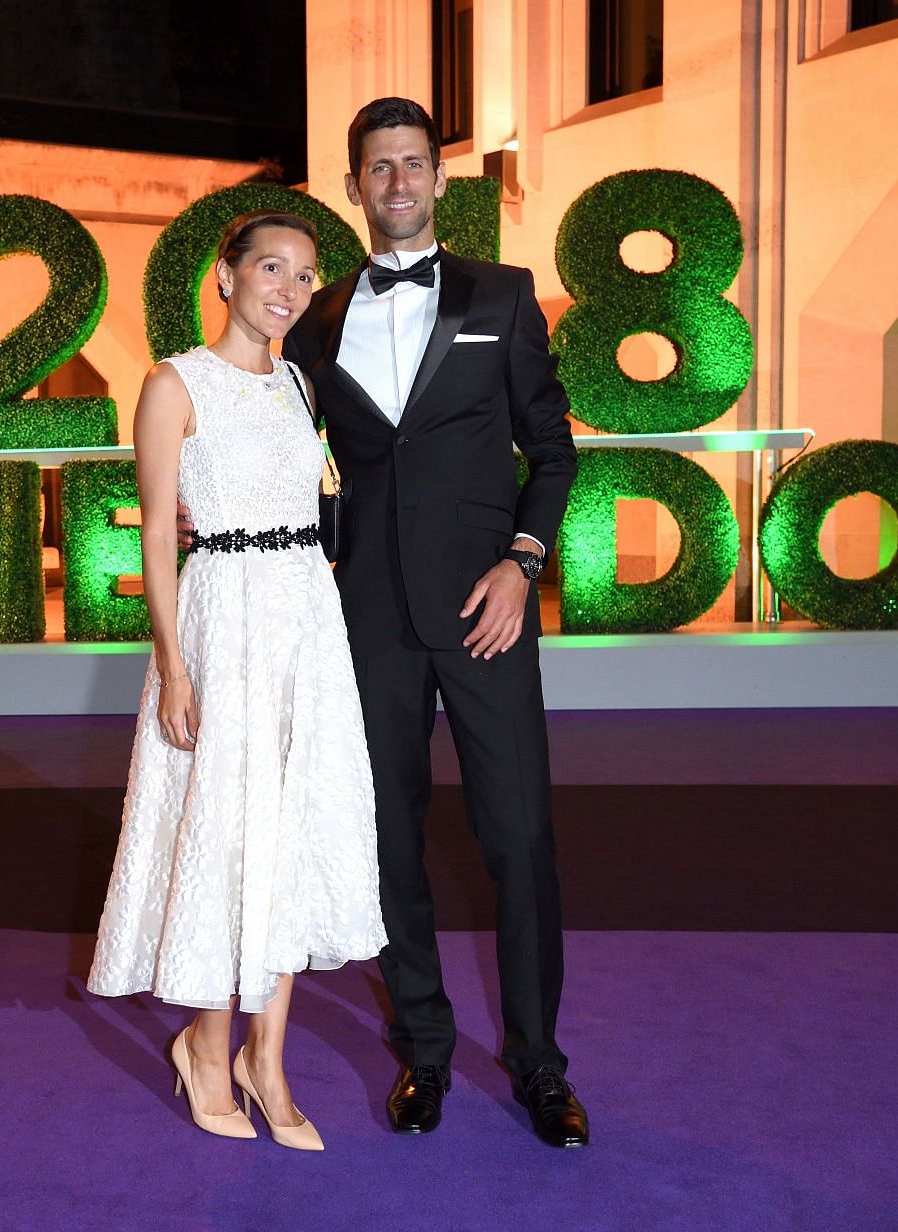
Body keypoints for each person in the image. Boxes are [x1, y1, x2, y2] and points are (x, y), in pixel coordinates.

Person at [283, 98, 586, 1148]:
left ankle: (542, 1065)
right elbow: (300, 464)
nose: (399, 182)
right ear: (354, 185)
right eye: (379, 168)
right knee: (387, 843)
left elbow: (553, 452)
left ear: (439, 181)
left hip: (488, 613)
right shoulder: (318, 320)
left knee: (520, 837)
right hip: (365, 622)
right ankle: (423, 1046)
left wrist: (523, 562)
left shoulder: (502, 297)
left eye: (414, 164)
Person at [86, 211, 387, 1152]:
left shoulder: (302, 382)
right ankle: (208, 1056)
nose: (289, 289)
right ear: (225, 277)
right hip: (223, 617)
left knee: (292, 826)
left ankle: (270, 1059)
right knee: (223, 827)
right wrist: (174, 663)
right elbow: (158, 538)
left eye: (304, 275)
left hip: (304, 618)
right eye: (270, 268)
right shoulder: (174, 383)